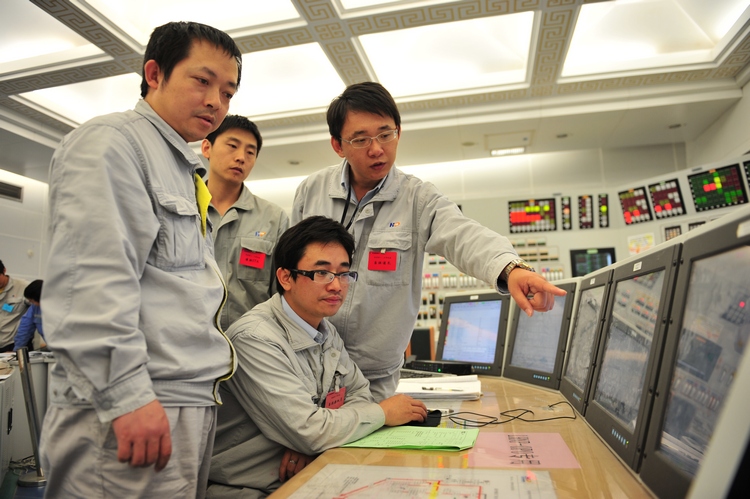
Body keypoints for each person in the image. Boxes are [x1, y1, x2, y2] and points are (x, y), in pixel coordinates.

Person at [39, 21, 242, 498]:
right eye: (202, 80)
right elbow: (90, 282)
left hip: (182, 398)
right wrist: (126, 395)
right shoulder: (113, 142)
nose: (216, 101)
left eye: (228, 92)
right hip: (131, 403)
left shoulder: (181, 167)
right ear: (154, 74)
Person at [292, 82, 567, 401]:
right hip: (306, 367)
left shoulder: (418, 199)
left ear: (399, 132)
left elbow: (463, 235)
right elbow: (287, 272)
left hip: (373, 380)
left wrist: (511, 269)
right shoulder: (312, 191)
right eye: (361, 139)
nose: (377, 149)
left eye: (386, 134)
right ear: (338, 145)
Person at [208, 216, 427, 498]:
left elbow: (358, 394)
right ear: (285, 277)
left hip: (314, 472)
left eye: (344, 273)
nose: (336, 286)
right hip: (249, 489)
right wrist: (382, 414)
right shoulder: (255, 338)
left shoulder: (324, 330)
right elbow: (309, 430)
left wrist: (317, 440)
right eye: (322, 273)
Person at [202, 115, 289, 331]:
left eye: (250, 152)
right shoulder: (183, 209)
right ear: (206, 148)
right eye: (232, 146)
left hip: (250, 342)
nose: (241, 157)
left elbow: (282, 294)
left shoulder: (273, 218)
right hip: (189, 339)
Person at [0, 259, 29, 352]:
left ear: (4, 270)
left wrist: (18, 347)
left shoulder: (23, 287)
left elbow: (36, 312)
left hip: (12, 344)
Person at [13, 279, 45, 351]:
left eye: (32, 301)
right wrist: (17, 350)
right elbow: (25, 328)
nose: (31, 303)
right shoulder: (34, 308)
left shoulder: (61, 308)